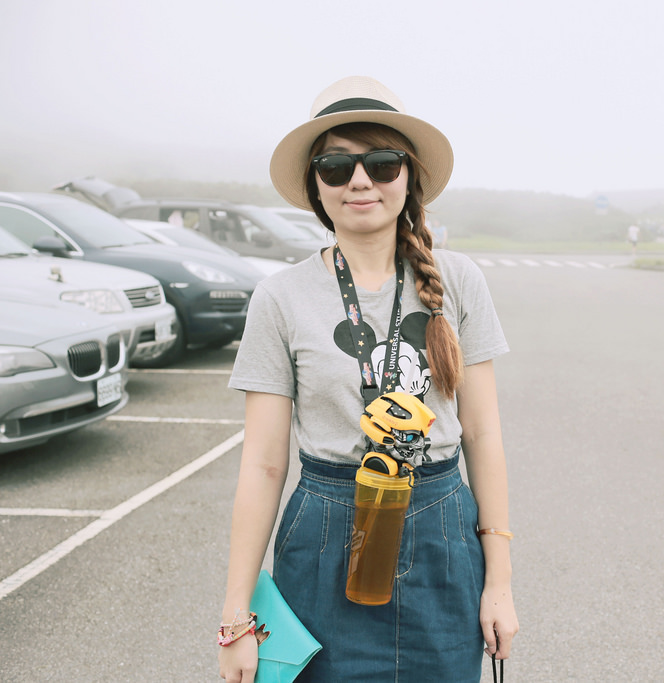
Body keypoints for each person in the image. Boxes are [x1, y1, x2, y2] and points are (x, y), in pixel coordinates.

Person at [218, 76, 518, 682]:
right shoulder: (280, 297)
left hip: (442, 532)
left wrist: (501, 583)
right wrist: (237, 616)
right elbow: (264, 464)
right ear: (316, 185)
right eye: (337, 165)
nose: (361, 180)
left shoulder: (458, 282)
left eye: (383, 163)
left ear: (408, 178)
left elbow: (483, 437)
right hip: (326, 532)